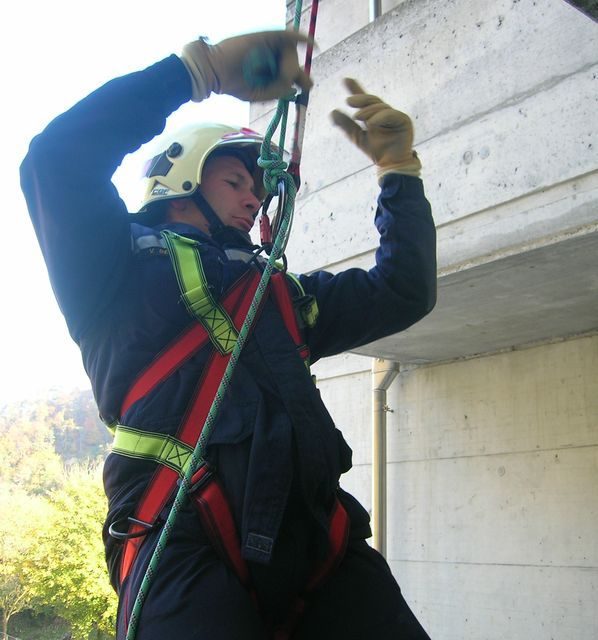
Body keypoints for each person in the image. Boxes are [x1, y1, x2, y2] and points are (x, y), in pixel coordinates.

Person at [20, 28, 436, 640]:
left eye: (257, 190)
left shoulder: (280, 294)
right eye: (235, 182)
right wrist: (198, 71)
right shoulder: (113, 270)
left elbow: (403, 291)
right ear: (182, 181)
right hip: (177, 529)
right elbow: (56, 159)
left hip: (315, 531)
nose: (253, 200)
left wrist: (399, 174)